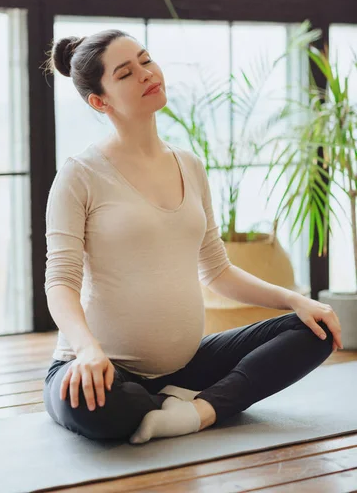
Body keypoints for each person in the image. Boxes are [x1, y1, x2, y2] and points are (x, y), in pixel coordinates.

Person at [42, 29, 342, 444]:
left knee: (317, 329)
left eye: (146, 61)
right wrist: (87, 350)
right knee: (102, 410)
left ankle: (197, 412)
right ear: (100, 100)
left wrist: (293, 299)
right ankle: (191, 402)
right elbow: (60, 281)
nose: (147, 74)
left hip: (187, 366)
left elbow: (217, 270)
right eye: (126, 73)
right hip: (101, 367)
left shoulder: (189, 165)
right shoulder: (80, 174)